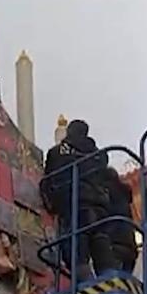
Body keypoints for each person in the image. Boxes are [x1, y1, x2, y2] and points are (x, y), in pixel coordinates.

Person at [41, 120, 114, 280]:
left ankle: (86, 285)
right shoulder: (99, 154)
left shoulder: (56, 152)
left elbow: (48, 180)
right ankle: (109, 281)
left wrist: (51, 204)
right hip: (99, 207)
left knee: (76, 255)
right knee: (101, 245)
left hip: (74, 206)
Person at [101, 167, 139, 274]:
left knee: (110, 279)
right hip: (130, 246)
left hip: (113, 244)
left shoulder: (105, 192)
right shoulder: (124, 194)